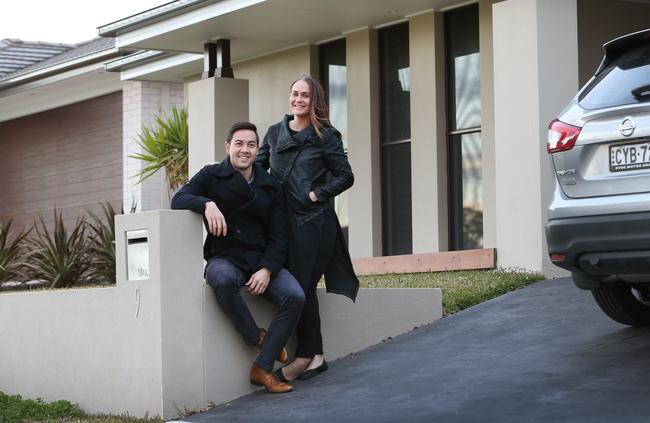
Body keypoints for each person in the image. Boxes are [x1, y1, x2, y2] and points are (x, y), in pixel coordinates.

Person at [171, 121, 305, 394]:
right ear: (228, 146)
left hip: (259, 260)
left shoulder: (270, 185)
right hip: (226, 256)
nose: (245, 150)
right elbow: (179, 198)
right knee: (219, 278)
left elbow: (280, 237)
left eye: (251, 145)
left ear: (258, 150)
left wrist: (267, 269)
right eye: (239, 144)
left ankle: (262, 368)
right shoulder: (211, 175)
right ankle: (255, 336)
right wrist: (207, 204)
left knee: (295, 295)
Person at [257, 75, 359, 382]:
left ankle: (307, 355)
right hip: (283, 224)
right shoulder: (274, 133)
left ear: (314, 102)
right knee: (297, 288)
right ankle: (314, 356)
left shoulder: (326, 136)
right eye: (295, 94)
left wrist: (315, 194)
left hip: (315, 224)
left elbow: (345, 176)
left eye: (305, 96)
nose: (299, 100)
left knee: (301, 287)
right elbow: (259, 169)